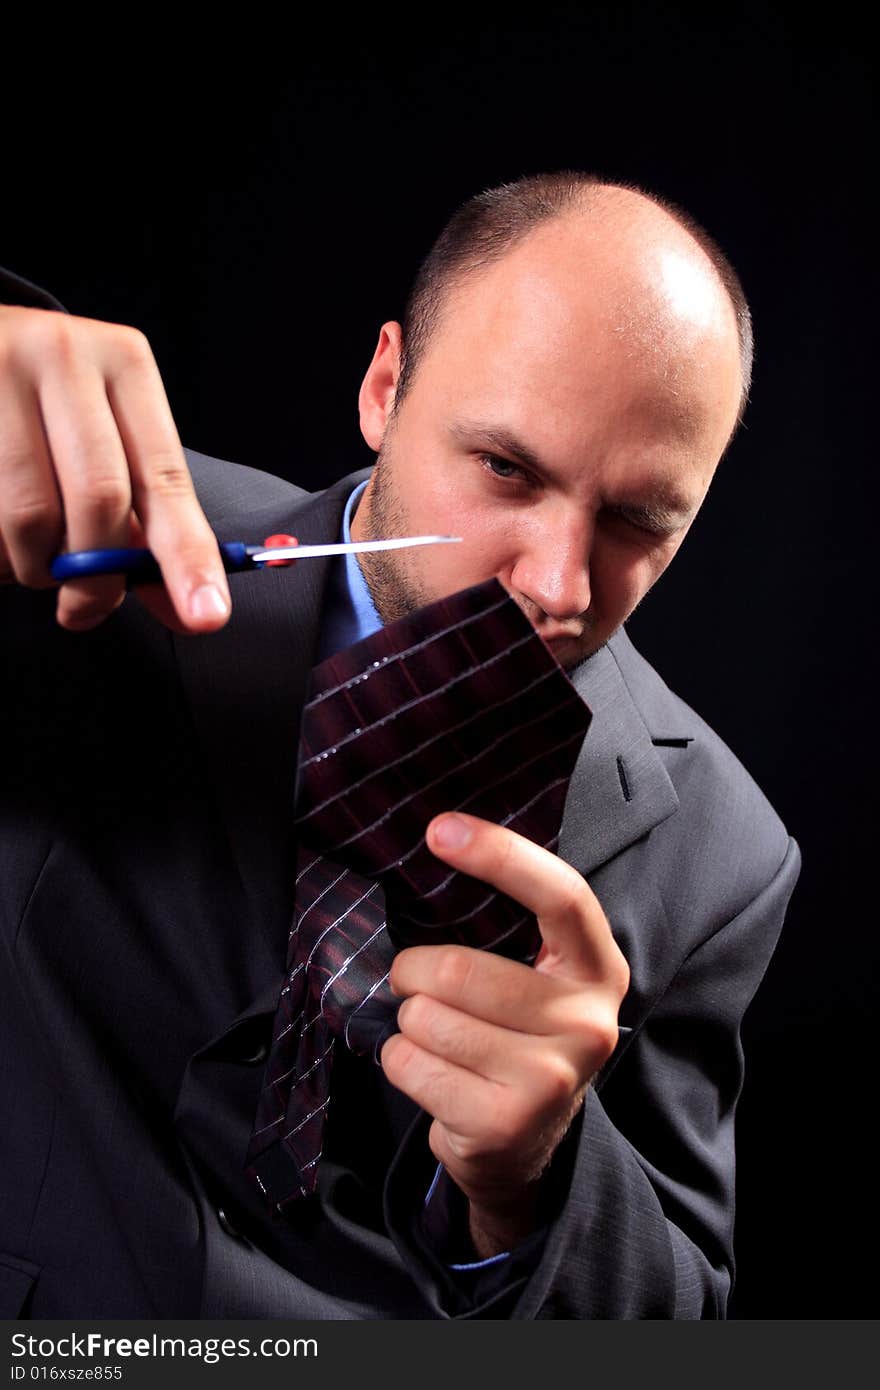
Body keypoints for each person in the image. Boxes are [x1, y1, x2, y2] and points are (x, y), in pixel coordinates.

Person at [0, 172, 801, 1319]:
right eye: (507, 470)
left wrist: (538, 1182)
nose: (558, 588)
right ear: (385, 388)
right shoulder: (91, 537)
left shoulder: (726, 851)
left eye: (637, 521)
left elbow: (677, 1317)